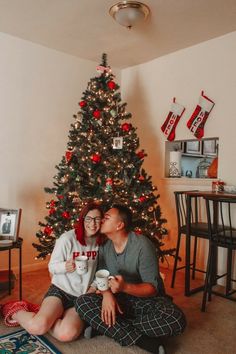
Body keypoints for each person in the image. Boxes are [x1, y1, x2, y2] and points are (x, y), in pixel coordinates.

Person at [75, 204, 186, 354]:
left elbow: (152, 289)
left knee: (176, 319)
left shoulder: (142, 245)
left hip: (146, 300)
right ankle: (143, 340)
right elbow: (101, 276)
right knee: (82, 302)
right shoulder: (105, 244)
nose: (100, 220)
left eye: (106, 218)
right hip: (119, 299)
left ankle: (108, 328)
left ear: (119, 225)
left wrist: (124, 287)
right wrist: (107, 295)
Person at [1, 202, 103, 342]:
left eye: (97, 219)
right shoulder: (67, 239)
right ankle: (16, 310)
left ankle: (47, 315)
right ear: (82, 219)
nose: (93, 224)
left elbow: (104, 271)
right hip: (60, 291)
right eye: (89, 219)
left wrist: (93, 287)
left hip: (82, 297)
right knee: (37, 327)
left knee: (66, 334)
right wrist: (64, 267)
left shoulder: (102, 242)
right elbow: (52, 266)